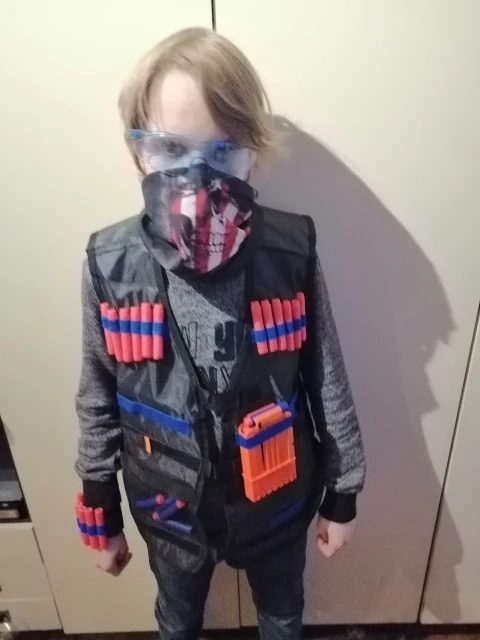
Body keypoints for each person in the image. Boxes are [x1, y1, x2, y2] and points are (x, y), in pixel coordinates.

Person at [75, 27, 366, 640]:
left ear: (252, 155)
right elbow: (97, 389)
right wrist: (98, 501)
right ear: (138, 153)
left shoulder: (289, 251)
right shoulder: (111, 262)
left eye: (224, 149)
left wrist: (344, 490)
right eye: (170, 147)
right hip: (166, 505)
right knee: (176, 615)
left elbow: (327, 376)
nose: (196, 176)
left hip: (278, 500)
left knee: (282, 612)